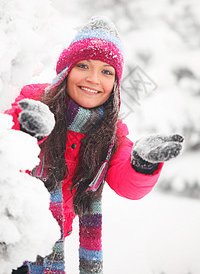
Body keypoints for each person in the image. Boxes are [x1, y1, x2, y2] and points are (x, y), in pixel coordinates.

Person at [6, 16, 184, 274]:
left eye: (106, 71)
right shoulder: (34, 100)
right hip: (10, 233)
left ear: (114, 83)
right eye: (83, 66)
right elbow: (6, 143)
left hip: (48, 241)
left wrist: (143, 164)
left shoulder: (111, 132)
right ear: (66, 70)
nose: (93, 79)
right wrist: (26, 128)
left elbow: (126, 182)